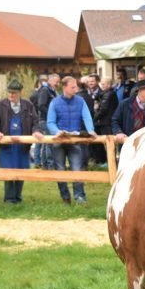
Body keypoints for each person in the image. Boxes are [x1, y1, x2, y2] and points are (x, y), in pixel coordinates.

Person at [46, 76, 96, 204]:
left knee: (77, 168)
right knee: (60, 169)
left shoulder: (80, 101)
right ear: (64, 87)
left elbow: (87, 117)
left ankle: (80, 197)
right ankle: (65, 197)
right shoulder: (55, 103)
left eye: (76, 86)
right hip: (59, 140)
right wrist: (57, 131)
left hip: (75, 140)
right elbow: (50, 122)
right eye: (72, 87)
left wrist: (90, 130)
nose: (76, 89)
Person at [0, 79, 43, 203]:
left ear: (20, 92)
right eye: (9, 93)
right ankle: (9, 199)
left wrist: (36, 131)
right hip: (7, 146)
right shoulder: (0, 105)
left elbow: (35, 122)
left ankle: (18, 198)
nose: (11, 95)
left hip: (22, 145)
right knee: (8, 171)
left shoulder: (28, 105)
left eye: (14, 93)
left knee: (21, 170)